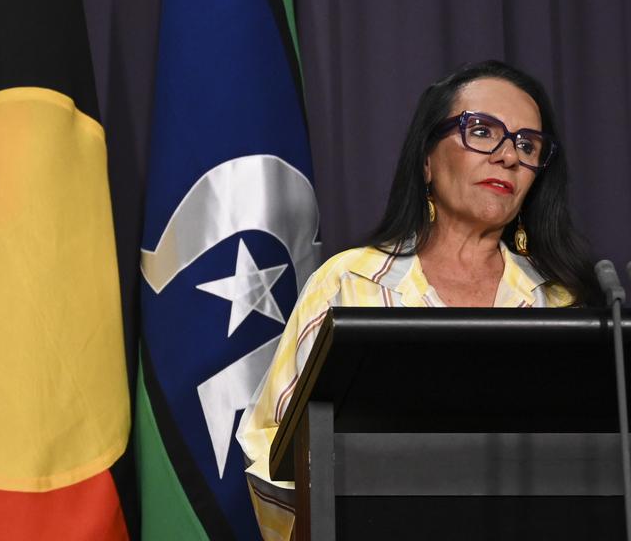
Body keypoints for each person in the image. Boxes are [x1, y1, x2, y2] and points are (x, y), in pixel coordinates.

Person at [235, 60, 598, 540]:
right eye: (483, 131)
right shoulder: (349, 283)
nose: (509, 157)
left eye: (527, 145)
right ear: (427, 160)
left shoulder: (565, 304)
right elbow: (269, 445)